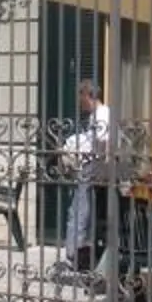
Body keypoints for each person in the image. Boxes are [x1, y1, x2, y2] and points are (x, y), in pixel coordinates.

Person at [60, 78, 112, 273]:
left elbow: (102, 141)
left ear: (89, 96)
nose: (80, 104)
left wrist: (99, 165)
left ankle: (73, 255)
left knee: (79, 210)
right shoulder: (99, 115)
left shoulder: (101, 115)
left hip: (92, 167)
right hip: (93, 166)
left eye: (82, 98)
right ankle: (78, 253)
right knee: (81, 211)